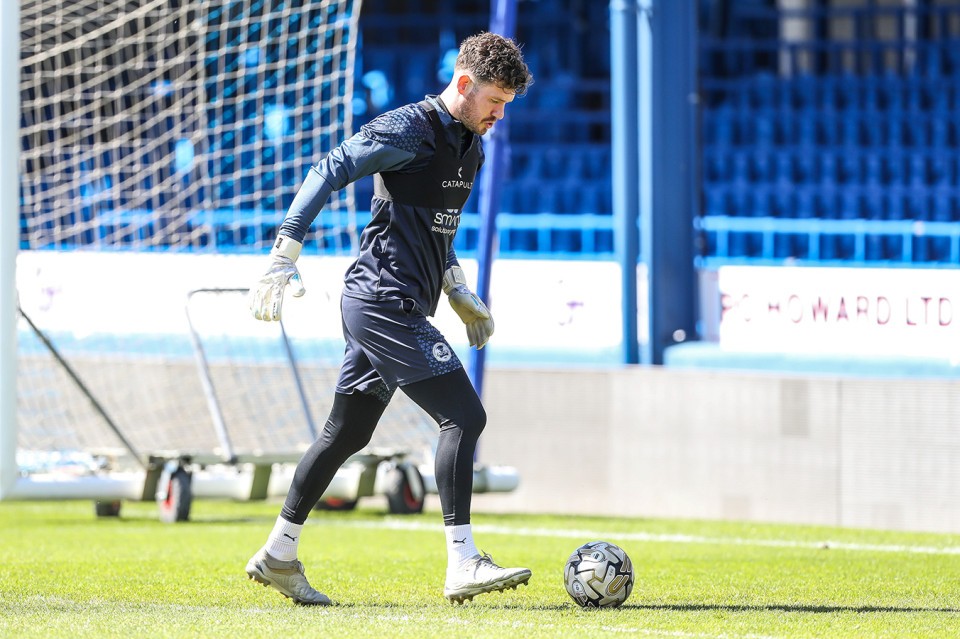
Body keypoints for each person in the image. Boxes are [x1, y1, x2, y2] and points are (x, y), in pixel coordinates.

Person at [244, 32, 534, 606]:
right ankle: (463, 563)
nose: (500, 114)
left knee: (346, 433)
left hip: (399, 302)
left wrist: (456, 287)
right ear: (464, 84)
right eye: (495, 100)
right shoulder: (408, 129)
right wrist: (284, 254)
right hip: (382, 301)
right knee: (464, 417)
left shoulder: (471, 144)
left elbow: (435, 230)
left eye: (507, 104)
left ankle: (278, 554)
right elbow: (330, 168)